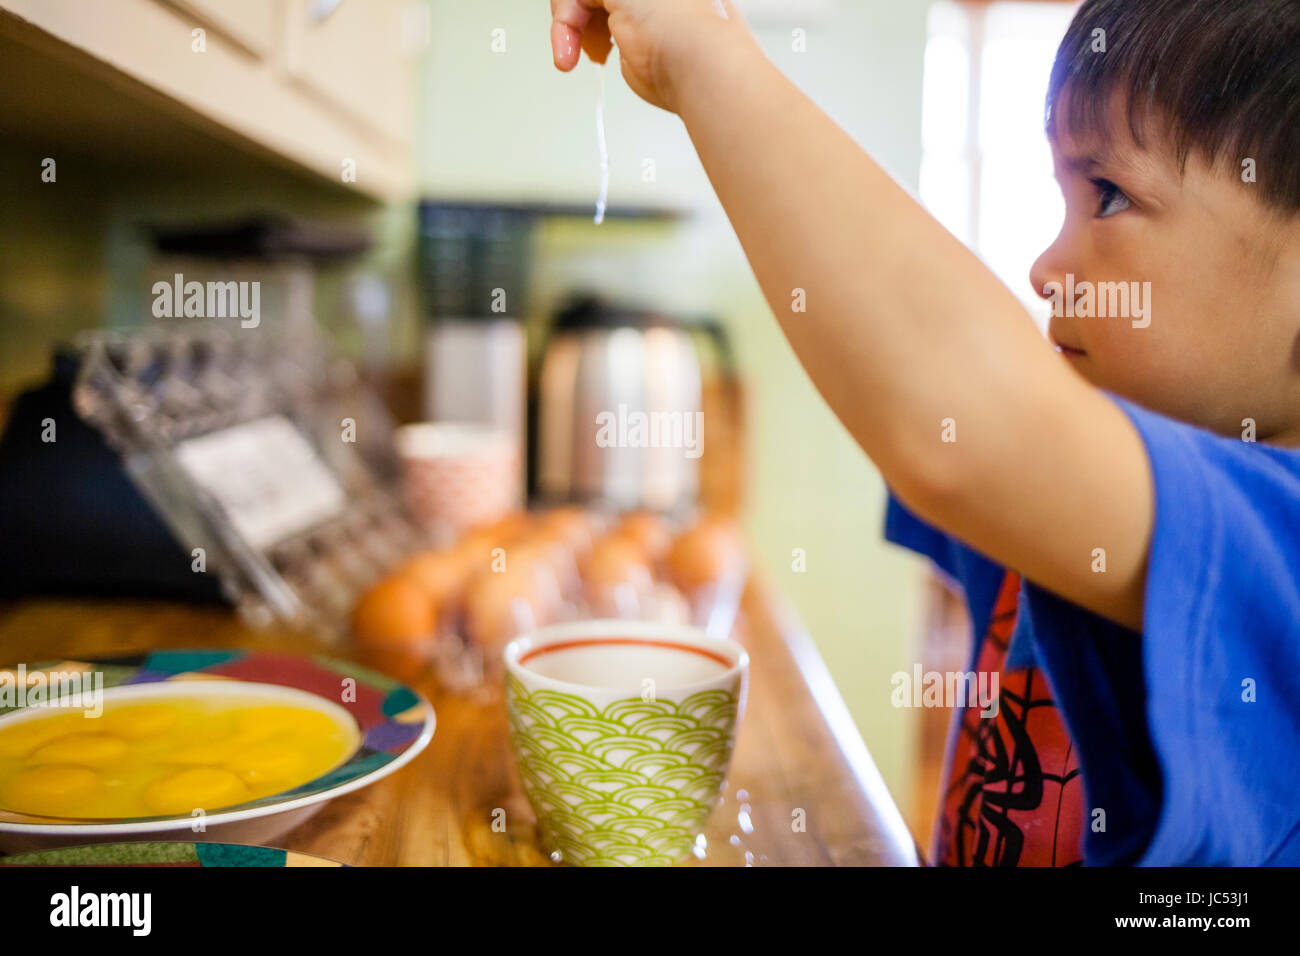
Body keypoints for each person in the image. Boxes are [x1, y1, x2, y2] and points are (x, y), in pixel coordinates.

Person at [547, 0, 1300, 865]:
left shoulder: (1281, 549)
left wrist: (706, 56)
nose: (1046, 267)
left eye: (1112, 195)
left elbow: (962, 427)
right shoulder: (1091, 472)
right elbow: (918, 388)